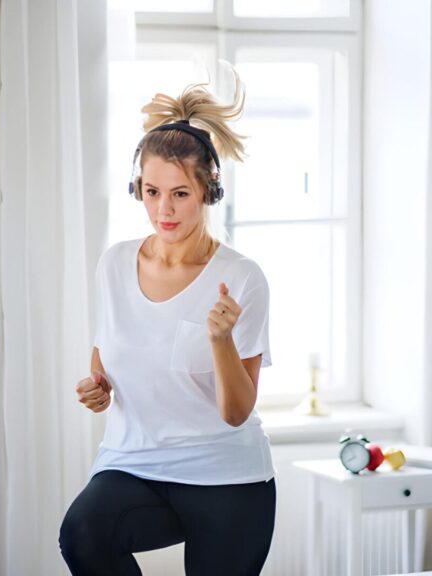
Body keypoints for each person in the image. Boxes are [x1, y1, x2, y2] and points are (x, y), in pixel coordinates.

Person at [58, 66, 277, 576]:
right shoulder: (115, 263)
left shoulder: (242, 278)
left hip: (228, 475)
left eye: (179, 193)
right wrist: (98, 388)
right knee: (83, 535)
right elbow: (106, 360)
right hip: (135, 463)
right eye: (152, 192)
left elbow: (237, 412)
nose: (164, 209)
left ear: (208, 191)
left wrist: (220, 340)